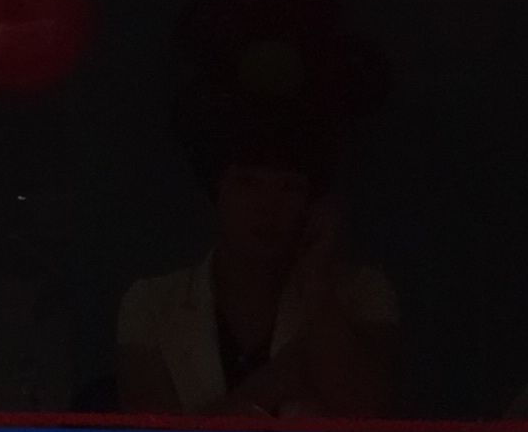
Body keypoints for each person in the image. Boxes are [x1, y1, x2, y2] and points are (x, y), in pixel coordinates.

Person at [115, 137, 398, 415]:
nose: (267, 206)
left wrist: (317, 284)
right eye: (246, 182)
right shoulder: (152, 302)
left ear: (312, 204)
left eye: (288, 186)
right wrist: (284, 375)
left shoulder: (362, 292)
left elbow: (368, 412)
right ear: (216, 194)